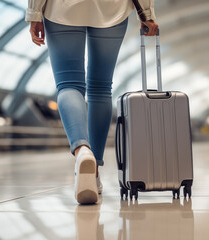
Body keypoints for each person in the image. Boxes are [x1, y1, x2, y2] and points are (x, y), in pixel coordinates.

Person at [26, 0, 159, 204]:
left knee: (69, 85)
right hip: (111, 9)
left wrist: (34, 13)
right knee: (101, 88)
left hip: (62, 8)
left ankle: (82, 151)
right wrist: (147, 13)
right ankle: (93, 169)